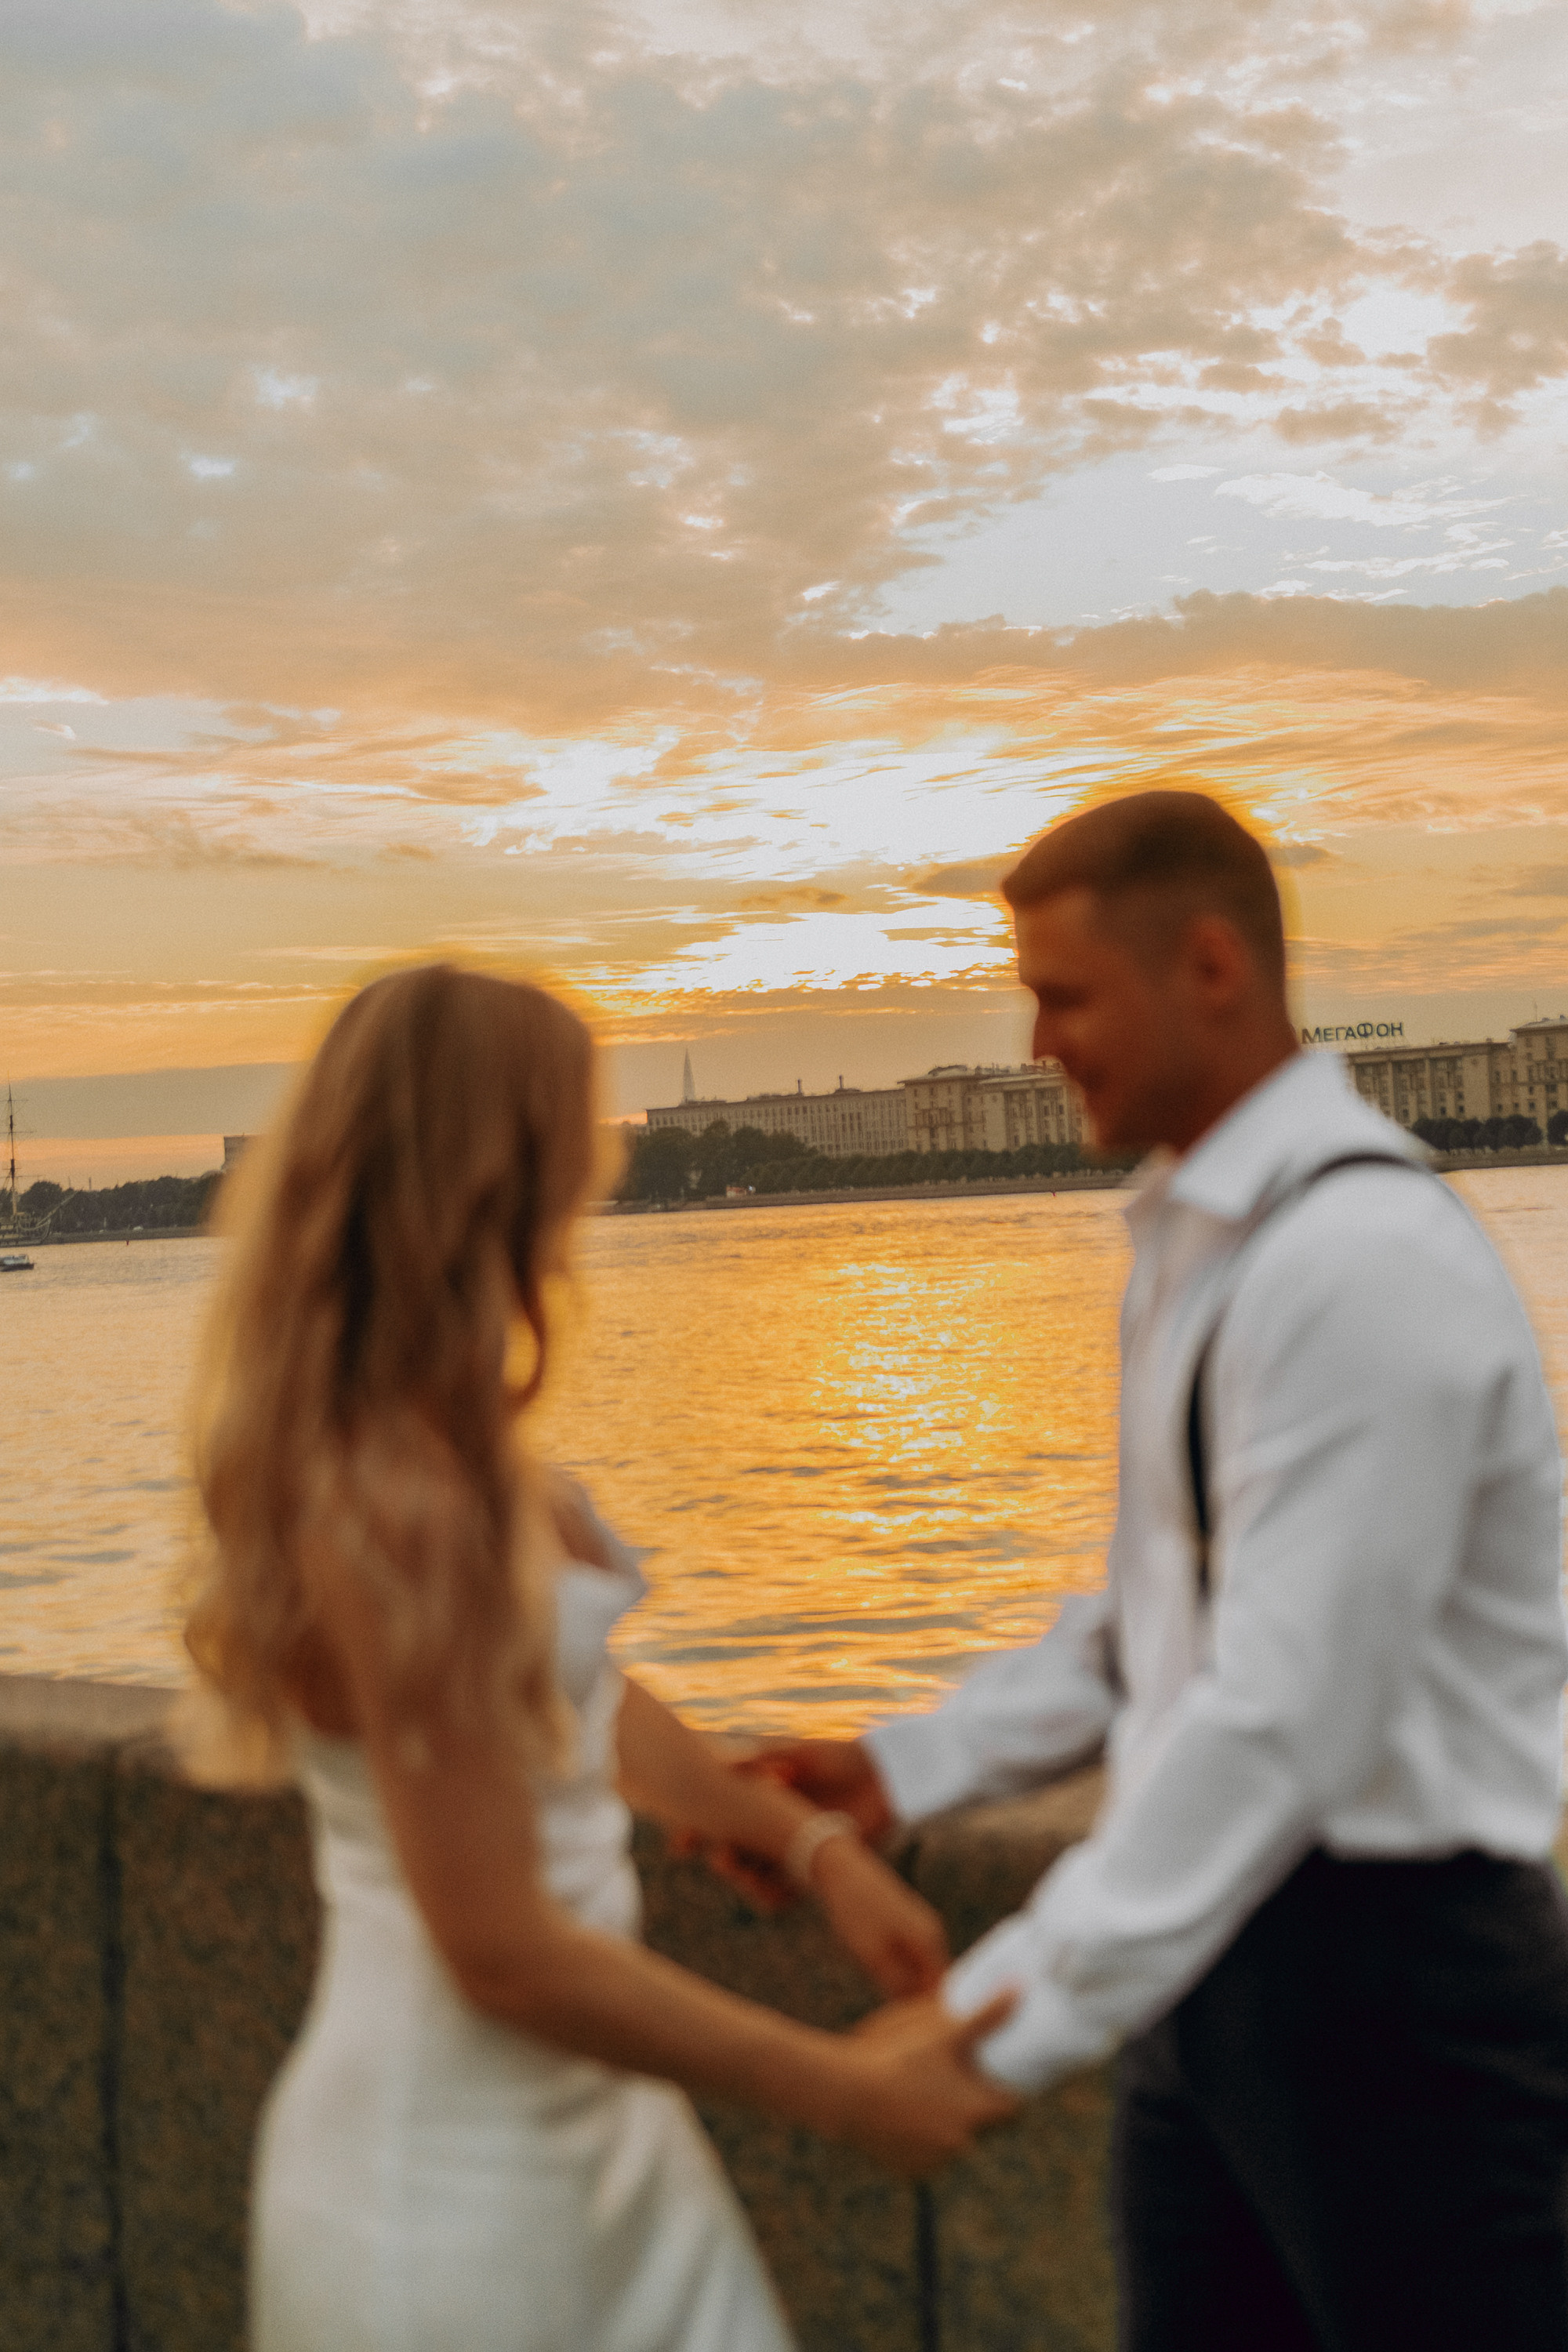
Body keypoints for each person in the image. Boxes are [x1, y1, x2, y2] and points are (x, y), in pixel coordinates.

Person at [750, 792, 1568, 2351]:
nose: (1035, 1043)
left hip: (1396, 1997)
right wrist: (901, 1769)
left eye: (1063, 996)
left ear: (1208, 966)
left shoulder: (1358, 1264)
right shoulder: (1212, 1247)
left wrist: (997, 2023)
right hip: (1225, 1979)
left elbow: (1279, 1715)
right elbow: (1155, 1628)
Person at [181, 964, 1016, 2352]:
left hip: (596, 2141)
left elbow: (575, 1703)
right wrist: (839, 2090)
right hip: (455, 2188)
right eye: (577, 1125)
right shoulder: (395, 1507)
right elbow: (500, 1951)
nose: (602, 1159)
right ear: (495, 1165)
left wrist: (807, 1843)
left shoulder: (453, 1462)